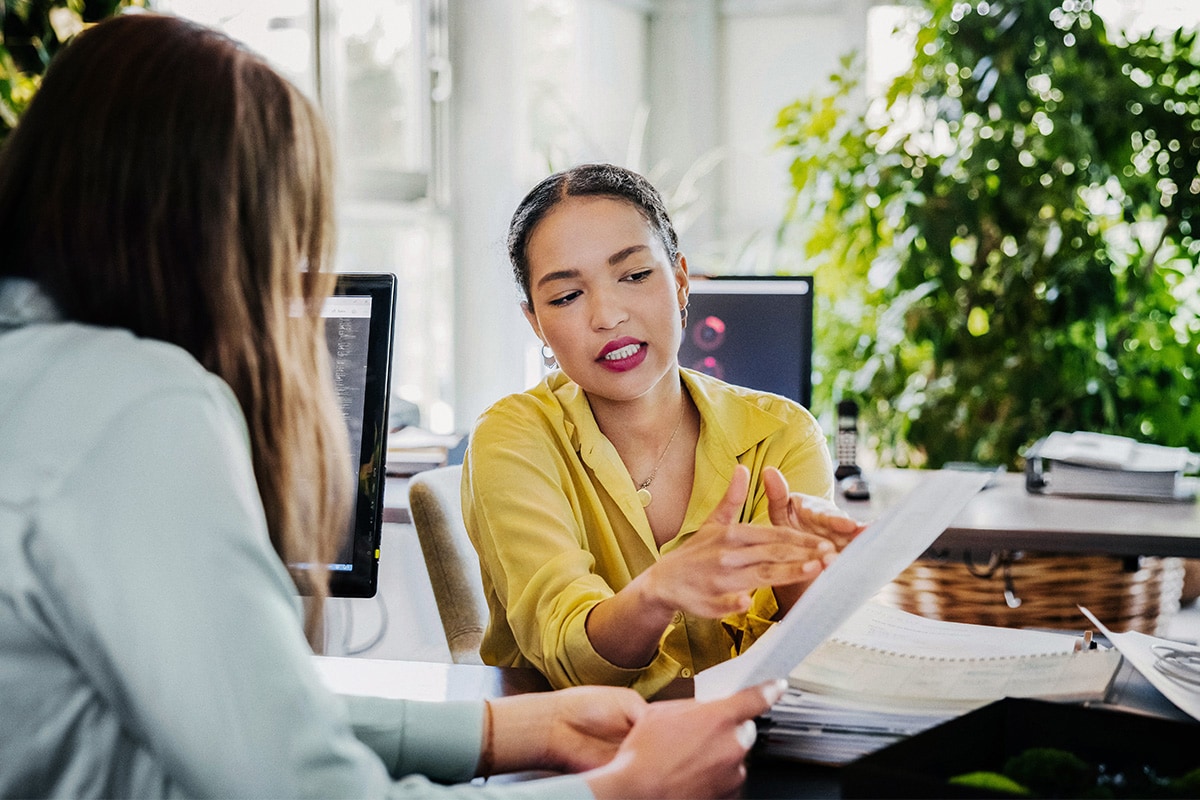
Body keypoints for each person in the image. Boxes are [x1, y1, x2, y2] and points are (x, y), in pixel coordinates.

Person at [0, 14, 785, 799]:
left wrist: (510, 730)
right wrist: (621, 791)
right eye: (286, 238)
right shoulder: (136, 406)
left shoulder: (42, 376)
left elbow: (260, 714)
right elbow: (303, 785)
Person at [462, 163, 866, 699]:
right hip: (577, 766)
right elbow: (567, 662)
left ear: (679, 281)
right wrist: (657, 592)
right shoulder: (512, 438)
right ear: (536, 321)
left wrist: (808, 578)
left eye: (634, 275)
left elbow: (807, 666)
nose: (607, 316)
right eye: (565, 297)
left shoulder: (782, 434)